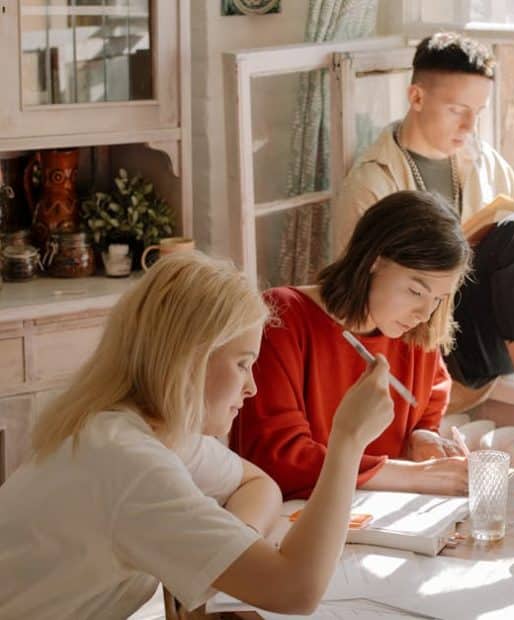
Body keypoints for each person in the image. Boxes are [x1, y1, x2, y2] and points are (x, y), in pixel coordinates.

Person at [0, 252, 397, 618]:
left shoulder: (144, 430)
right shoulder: (128, 462)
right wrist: (347, 440)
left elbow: (257, 483)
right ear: (189, 359)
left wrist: (229, 549)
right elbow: (296, 590)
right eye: (243, 364)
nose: (252, 388)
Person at [332, 32, 514, 454]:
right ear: (416, 97)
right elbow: (361, 303)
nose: (470, 126)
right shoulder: (372, 181)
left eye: (478, 111)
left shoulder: (486, 162)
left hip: (493, 340)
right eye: (456, 110)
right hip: (430, 348)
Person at [232, 190, 472, 499]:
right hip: (297, 519)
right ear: (374, 261)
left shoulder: (412, 330)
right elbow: (279, 459)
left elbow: (430, 400)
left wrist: (421, 436)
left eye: (438, 299)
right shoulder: (284, 317)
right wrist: (415, 476)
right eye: (415, 291)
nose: (425, 313)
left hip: (381, 517)